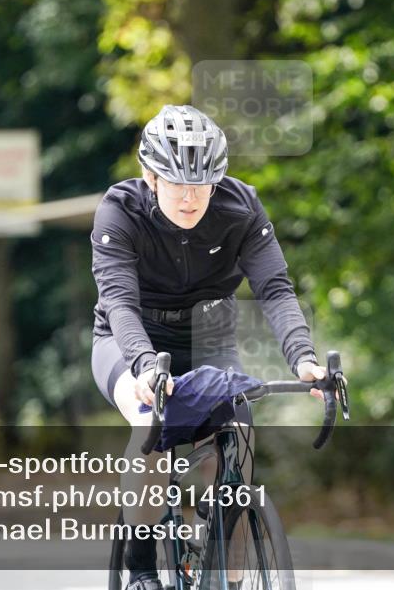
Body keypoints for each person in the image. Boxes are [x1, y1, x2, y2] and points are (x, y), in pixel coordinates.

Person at [90, 104, 326, 590]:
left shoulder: (240, 208)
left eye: (203, 183)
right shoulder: (120, 210)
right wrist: (143, 367)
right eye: (177, 182)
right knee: (149, 427)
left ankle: (229, 577)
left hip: (208, 336)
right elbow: (118, 301)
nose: (191, 196)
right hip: (130, 337)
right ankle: (139, 569)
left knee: (238, 438)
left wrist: (304, 358)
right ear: (150, 177)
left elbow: (275, 289)